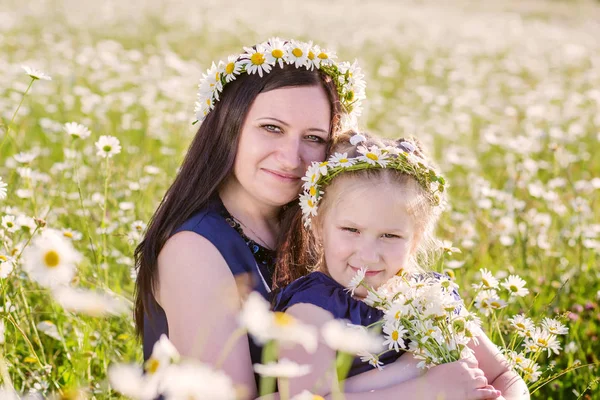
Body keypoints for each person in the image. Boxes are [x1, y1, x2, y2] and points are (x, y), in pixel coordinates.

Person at [133, 38, 367, 399]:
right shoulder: (193, 250)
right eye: (272, 128)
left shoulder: (317, 230)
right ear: (229, 126)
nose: (291, 158)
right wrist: (412, 387)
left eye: (314, 137)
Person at [272, 131, 530, 399]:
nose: (369, 255)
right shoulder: (312, 309)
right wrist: (423, 385)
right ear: (317, 228)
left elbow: (503, 375)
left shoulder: (431, 300)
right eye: (351, 230)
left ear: (415, 240)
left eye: (390, 236)